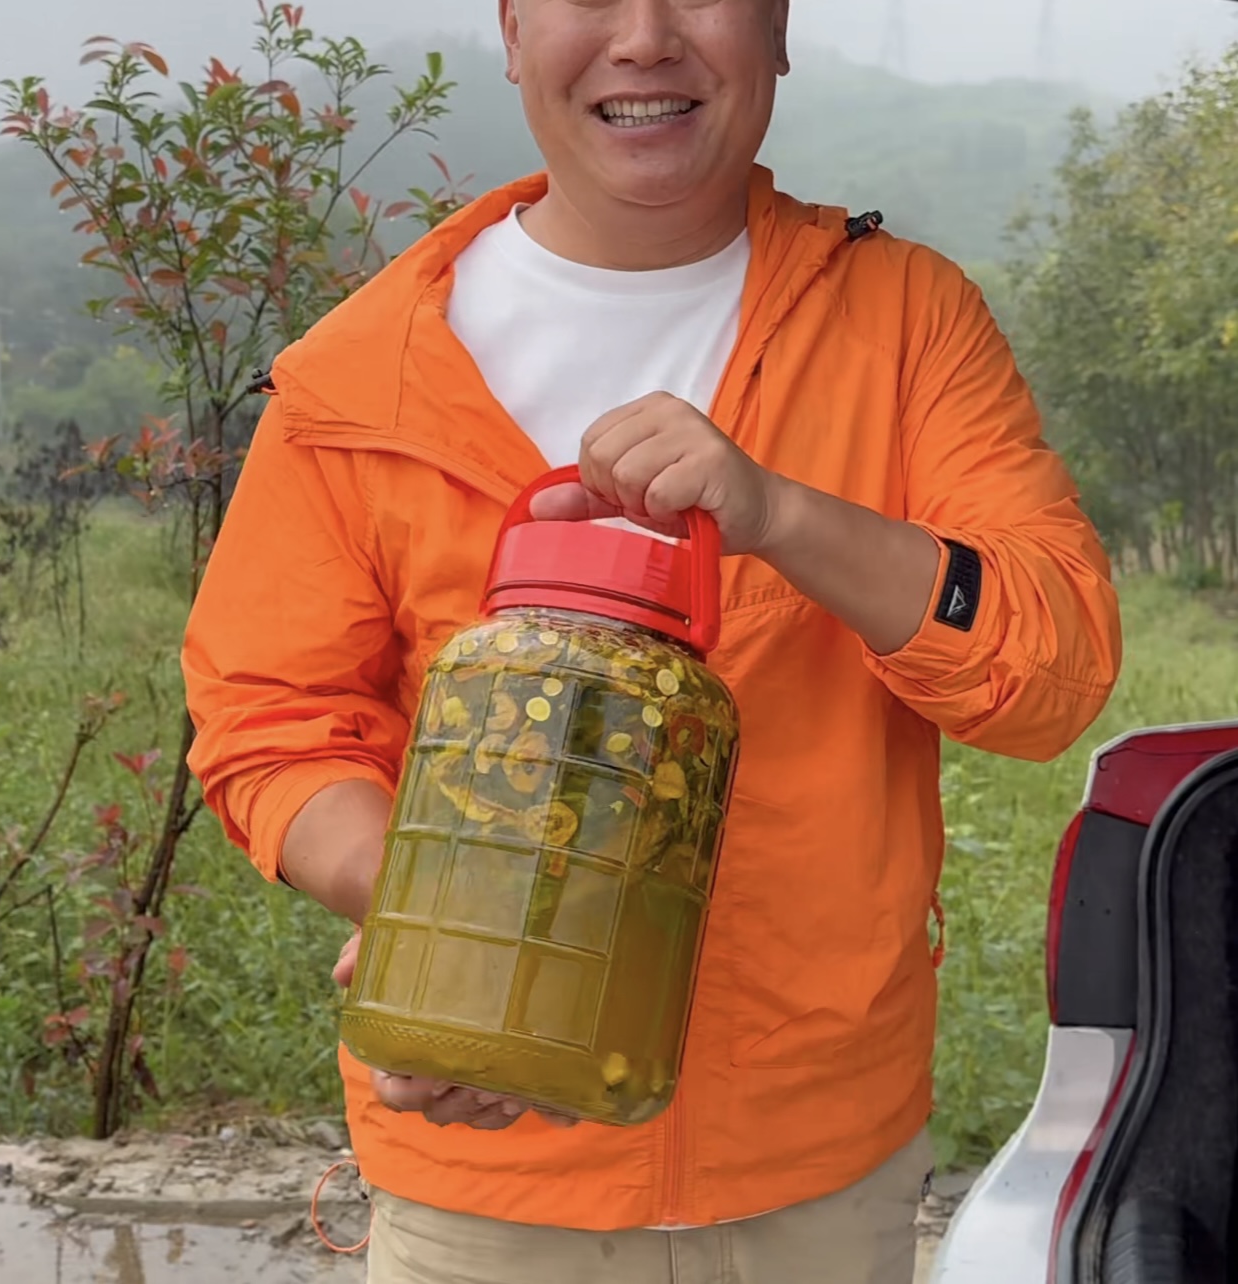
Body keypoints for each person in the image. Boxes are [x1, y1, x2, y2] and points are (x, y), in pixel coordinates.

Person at [182, 0, 1123, 1279]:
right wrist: (431, 921)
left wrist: (785, 516)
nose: (643, 39)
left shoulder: (904, 321)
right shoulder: (361, 377)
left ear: (778, 30)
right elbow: (271, 722)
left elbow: (1052, 666)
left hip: (817, 1178)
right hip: (486, 1193)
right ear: (513, 30)